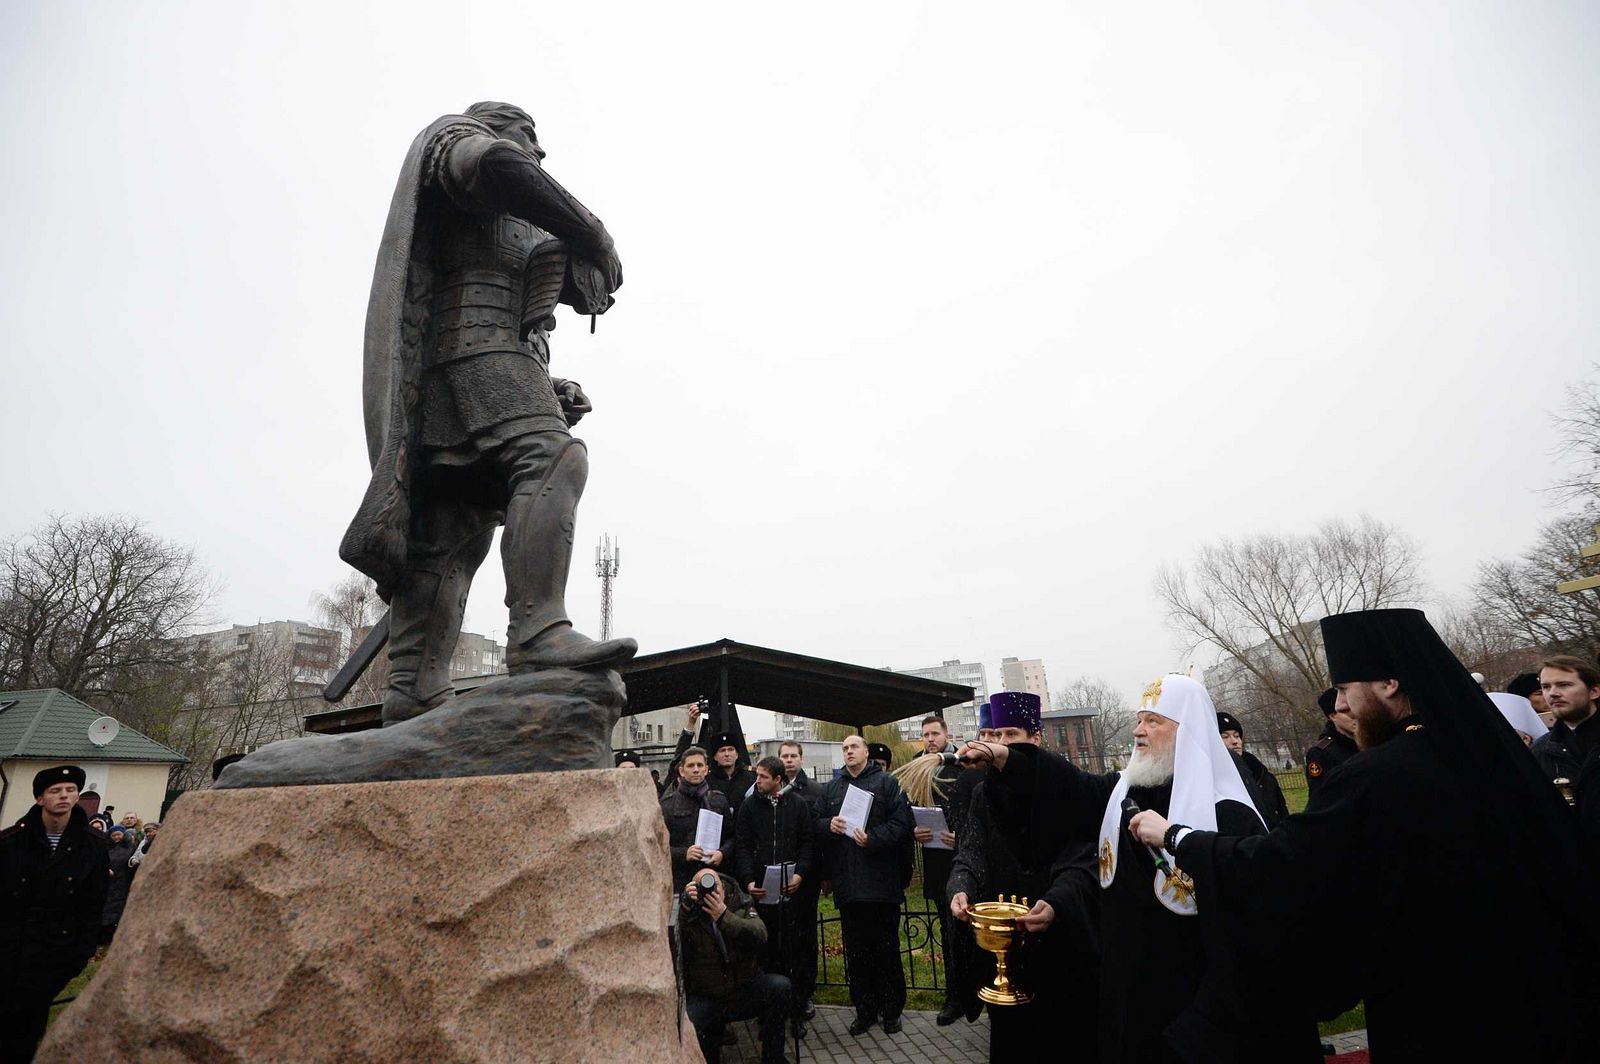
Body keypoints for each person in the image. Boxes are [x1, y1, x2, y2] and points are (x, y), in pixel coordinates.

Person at [1134, 609, 1600, 1059]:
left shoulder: (1377, 774)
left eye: (1344, 688)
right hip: (1538, 988)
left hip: (1440, 998)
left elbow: (1285, 865)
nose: (1340, 704)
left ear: (1388, 684)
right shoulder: (1489, 757)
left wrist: (1177, 837)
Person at [339, 101, 634, 726]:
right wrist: (594, 230)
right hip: (472, 356)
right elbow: (499, 165)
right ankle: (538, 632)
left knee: (453, 530)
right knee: (551, 456)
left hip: (487, 364)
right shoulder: (459, 144)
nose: (540, 154)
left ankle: (414, 689)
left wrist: (549, 387)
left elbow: (521, 308)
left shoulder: (519, 220)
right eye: (532, 137)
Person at [946, 692, 1101, 1060]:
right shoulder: (984, 794)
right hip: (1004, 952)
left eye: (1011, 735)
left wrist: (1057, 903)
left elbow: (1083, 861)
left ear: (1036, 739)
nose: (999, 746)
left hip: (1058, 948)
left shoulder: (1070, 790)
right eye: (995, 736)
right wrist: (961, 887)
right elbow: (970, 852)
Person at [0, 766, 109, 1063]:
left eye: (70, 790)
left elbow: (93, 904)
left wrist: (79, 954)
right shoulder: (11, 842)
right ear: (40, 799)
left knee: (26, 1031)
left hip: (53, 953)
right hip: (8, 949)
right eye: (55, 791)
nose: (64, 796)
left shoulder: (94, 847)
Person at [815, 734, 913, 1036]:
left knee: (886, 950)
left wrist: (874, 839)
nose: (848, 752)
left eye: (853, 747)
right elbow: (814, 822)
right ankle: (865, 1010)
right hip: (849, 886)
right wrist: (828, 825)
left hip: (881, 884)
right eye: (844, 748)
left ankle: (891, 1010)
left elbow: (902, 824)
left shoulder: (886, 784)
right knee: (856, 954)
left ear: (866, 752)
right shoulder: (832, 787)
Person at [732, 757, 814, 1036]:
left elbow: (807, 843)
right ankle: (767, 1014)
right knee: (765, 954)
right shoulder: (749, 806)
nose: (758, 781)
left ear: (778, 779)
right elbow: (742, 845)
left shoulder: (798, 804)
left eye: (764, 777)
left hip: (790, 892)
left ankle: (795, 1011)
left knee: (794, 954)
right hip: (761, 891)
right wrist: (748, 880)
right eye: (758, 776)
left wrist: (800, 874)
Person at [679, 869, 791, 1064]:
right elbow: (675, 945)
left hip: (743, 989)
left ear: (723, 888)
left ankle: (773, 1058)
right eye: (703, 888)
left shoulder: (739, 900)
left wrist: (724, 916)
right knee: (691, 1026)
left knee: (780, 987)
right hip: (709, 996)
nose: (711, 893)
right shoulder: (689, 912)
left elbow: (760, 934)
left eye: (715, 887)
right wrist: (685, 911)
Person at [905, 715, 965, 1025]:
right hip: (937, 860)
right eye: (925, 734)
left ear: (946, 734)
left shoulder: (963, 763)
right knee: (948, 932)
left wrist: (963, 835)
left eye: (934, 734)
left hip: (966, 860)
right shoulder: (919, 765)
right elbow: (907, 807)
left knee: (967, 933)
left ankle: (971, 993)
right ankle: (953, 996)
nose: (929, 739)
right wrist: (915, 830)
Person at [774, 740, 823, 1020]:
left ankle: (806, 989)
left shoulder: (815, 790)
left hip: (806, 874)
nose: (790, 760)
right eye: (785, 756)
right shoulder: (771, 788)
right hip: (777, 872)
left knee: (805, 934)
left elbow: (816, 837)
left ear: (801, 759)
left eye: (794, 756)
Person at [1530, 654, 1600, 849]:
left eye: (1564, 685)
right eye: (1546, 687)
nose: (1553, 693)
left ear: (1594, 690)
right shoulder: (1540, 751)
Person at [660, 746, 732, 887]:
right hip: (680, 880)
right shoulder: (667, 804)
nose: (695, 770)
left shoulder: (718, 800)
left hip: (714, 876)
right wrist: (683, 853)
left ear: (706, 770)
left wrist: (722, 853)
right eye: (690, 765)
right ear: (681, 771)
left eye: (700, 765)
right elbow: (658, 847)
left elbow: (732, 837)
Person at [1216, 711, 1289, 827]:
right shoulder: (1213, 778)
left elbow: (1281, 813)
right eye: (1225, 737)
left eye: (1237, 736)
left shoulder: (1260, 773)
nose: (1235, 741)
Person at [1303, 687, 1359, 797]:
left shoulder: (1370, 742)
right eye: (1346, 712)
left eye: (1356, 709)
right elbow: (1320, 796)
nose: (1355, 716)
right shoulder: (1321, 753)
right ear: (1332, 716)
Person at [101, 825, 138, 945]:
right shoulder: (106, 849)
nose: (116, 837)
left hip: (123, 882)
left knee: (119, 909)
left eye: (119, 835)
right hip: (108, 882)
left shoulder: (130, 848)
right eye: (114, 835)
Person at [707, 733, 756, 812]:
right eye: (722, 750)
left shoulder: (751, 777)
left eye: (731, 750)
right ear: (715, 757)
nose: (727, 754)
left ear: (736, 754)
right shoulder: (707, 780)